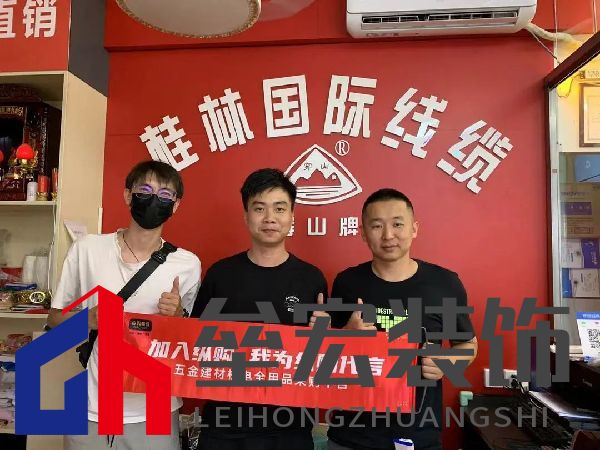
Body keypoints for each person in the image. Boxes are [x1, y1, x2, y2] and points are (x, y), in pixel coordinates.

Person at [48, 160, 201, 450]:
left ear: (176, 205)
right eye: (145, 190)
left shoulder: (187, 264)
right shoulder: (87, 249)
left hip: (157, 409)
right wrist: (88, 320)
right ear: (128, 195)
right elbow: (54, 320)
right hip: (91, 407)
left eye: (165, 195)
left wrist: (177, 316)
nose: (154, 199)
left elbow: (188, 341)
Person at [325, 188, 478, 450]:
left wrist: (448, 363)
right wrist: (346, 336)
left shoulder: (444, 284)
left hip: (418, 434)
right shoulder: (347, 283)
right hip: (352, 435)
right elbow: (325, 356)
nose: (388, 235)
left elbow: (469, 345)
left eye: (397, 224)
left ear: (414, 228)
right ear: (363, 233)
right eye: (377, 226)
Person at [191, 168, 327, 450]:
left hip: (289, 428)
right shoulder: (220, 275)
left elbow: (322, 361)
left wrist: (324, 335)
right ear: (246, 216)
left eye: (279, 208)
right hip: (224, 426)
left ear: (292, 216)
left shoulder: (311, 278)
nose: (269, 218)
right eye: (259, 208)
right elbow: (195, 344)